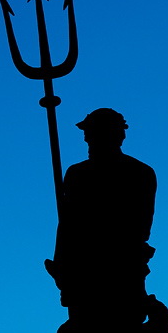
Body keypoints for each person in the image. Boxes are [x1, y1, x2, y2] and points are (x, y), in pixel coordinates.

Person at [46, 108, 157, 312]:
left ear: (118, 136)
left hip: (120, 264)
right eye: (87, 134)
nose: (88, 139)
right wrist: (61, 265)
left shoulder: (138, 172)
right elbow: (67, 223)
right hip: (84, 266)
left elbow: (141, 225)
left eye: (92, 133)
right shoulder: (76, 173)